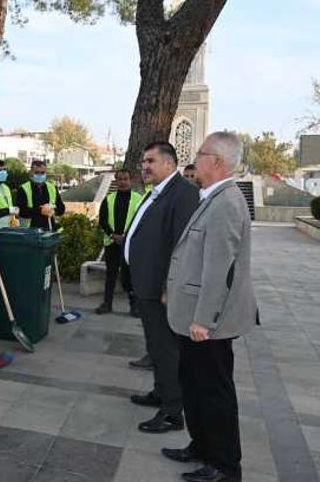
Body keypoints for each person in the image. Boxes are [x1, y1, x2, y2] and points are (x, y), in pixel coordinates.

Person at [162, 133, 257, 482]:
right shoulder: (212, 197)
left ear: (215, 161)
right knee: (194, 384)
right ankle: (201, 446)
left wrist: (204, 319)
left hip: (208, 324)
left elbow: (220, 270)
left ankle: (225, 466)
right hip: (193, 318)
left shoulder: (227, 202)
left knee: (214, 392)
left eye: (199, 154)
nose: (194, 159)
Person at [124, 141, 199, 434]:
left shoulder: (183, 194)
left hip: (160, 288)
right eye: (144, 161)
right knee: (155, 346)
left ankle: (172, 411)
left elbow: (183, 245)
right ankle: (160, 392)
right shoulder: (156, 192)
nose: (145, 166)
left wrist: (171, 285)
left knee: (166, 349)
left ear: (169, 163)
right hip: (145, 284)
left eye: (151, 161)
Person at [95, 169, 143, 315]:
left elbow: (141, 221)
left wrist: (126, 237)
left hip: (130, 244)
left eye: (125, 179)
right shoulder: (109, 199)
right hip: (112, 242)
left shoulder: (138, 199)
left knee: (131, 276)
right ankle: (107, 304)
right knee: (111, 275)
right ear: (116, 181)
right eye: (120, 179)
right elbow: (102, 220)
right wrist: (113, 235)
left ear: (131, 180)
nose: (122, 182)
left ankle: (134, 306)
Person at [16, 160, 66, 230]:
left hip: (49, 228)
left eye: (42, 173)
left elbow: (61, 208)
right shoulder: (23, 189)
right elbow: (20, 211)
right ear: (31, 173)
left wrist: (54, 211)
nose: (40, 175)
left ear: (46, 173)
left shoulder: (52, 188)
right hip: (29, 230)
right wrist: (40, 211)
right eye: (37, 172)